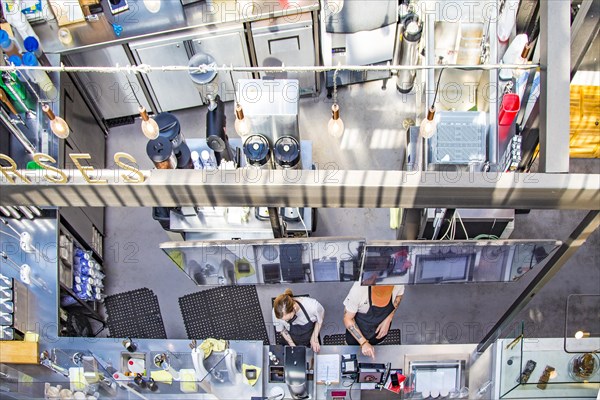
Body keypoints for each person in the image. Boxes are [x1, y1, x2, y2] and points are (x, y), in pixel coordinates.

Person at [343, 278, 404, 358]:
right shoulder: (358, 290)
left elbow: (399, 296)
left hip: (379, 335)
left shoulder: (397, 282)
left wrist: (389, 318)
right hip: (356, 337)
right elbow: (347, 318)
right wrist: (364, 343)